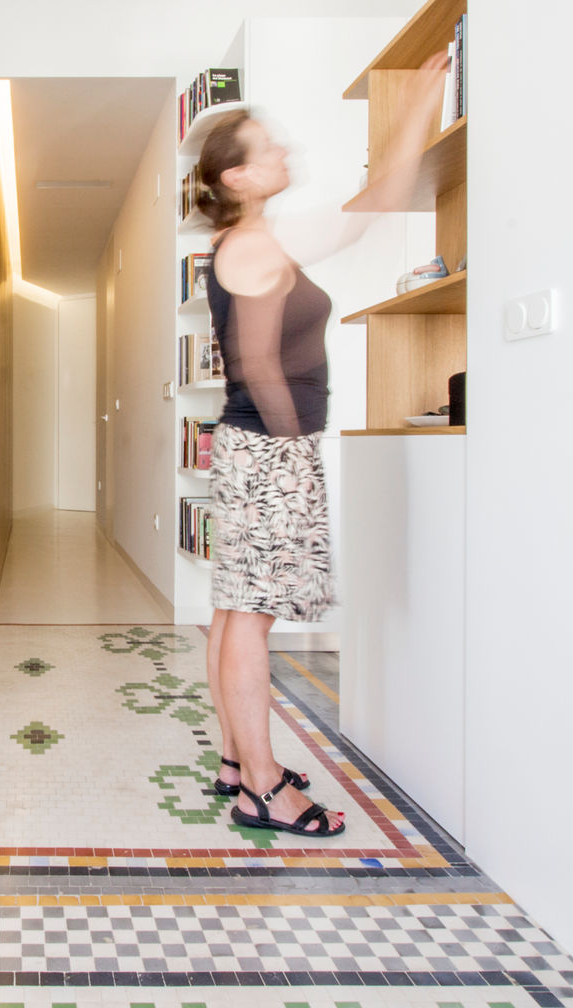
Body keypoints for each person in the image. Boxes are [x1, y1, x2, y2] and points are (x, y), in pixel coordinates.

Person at [197, 54, 448, 837]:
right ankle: (263, 788)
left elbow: (373, 203)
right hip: (269, 450)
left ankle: (239, 763)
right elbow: (261, 365)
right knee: (253, 616)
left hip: (253, 450)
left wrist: (416, 110)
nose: (285, 155)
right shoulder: (251, 247)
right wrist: (294, 455)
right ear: (237, 178)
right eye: (267, 149)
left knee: (238, 610)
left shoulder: (260, 238)